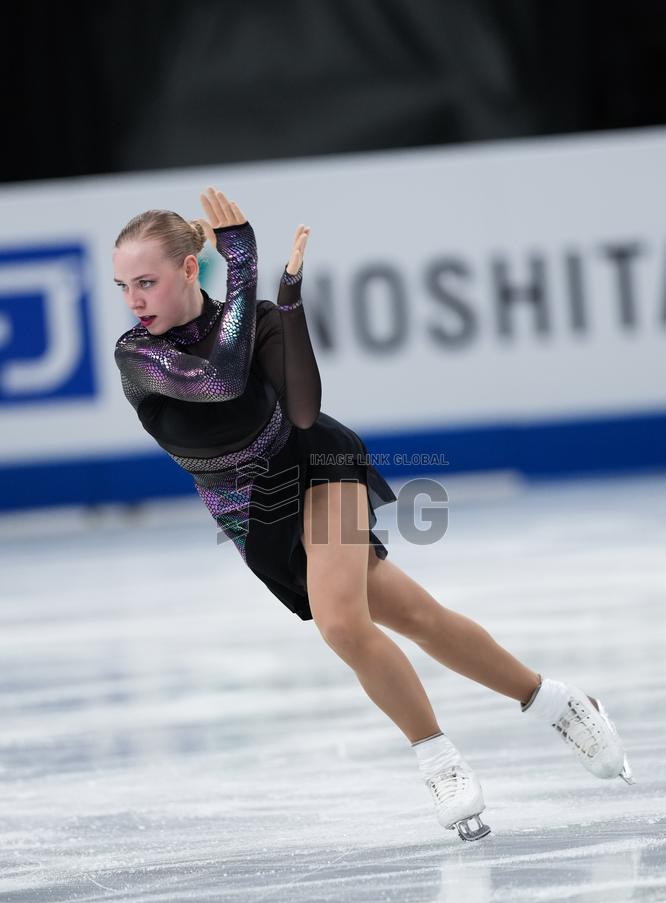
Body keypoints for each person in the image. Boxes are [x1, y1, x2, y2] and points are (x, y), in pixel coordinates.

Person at [113, 186, 635, 843]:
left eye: (146, 282)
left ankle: (439, 760)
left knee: (341, 624)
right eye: (124, 286)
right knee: (417, 616)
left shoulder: (257, 318)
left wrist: (269, 291)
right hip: (252, 513)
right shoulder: (136, 356)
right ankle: (561, 703)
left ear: (190, 269)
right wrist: (243, 266)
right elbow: (214, 377)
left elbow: (298, 403)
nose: (134, 300)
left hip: (316, 467)